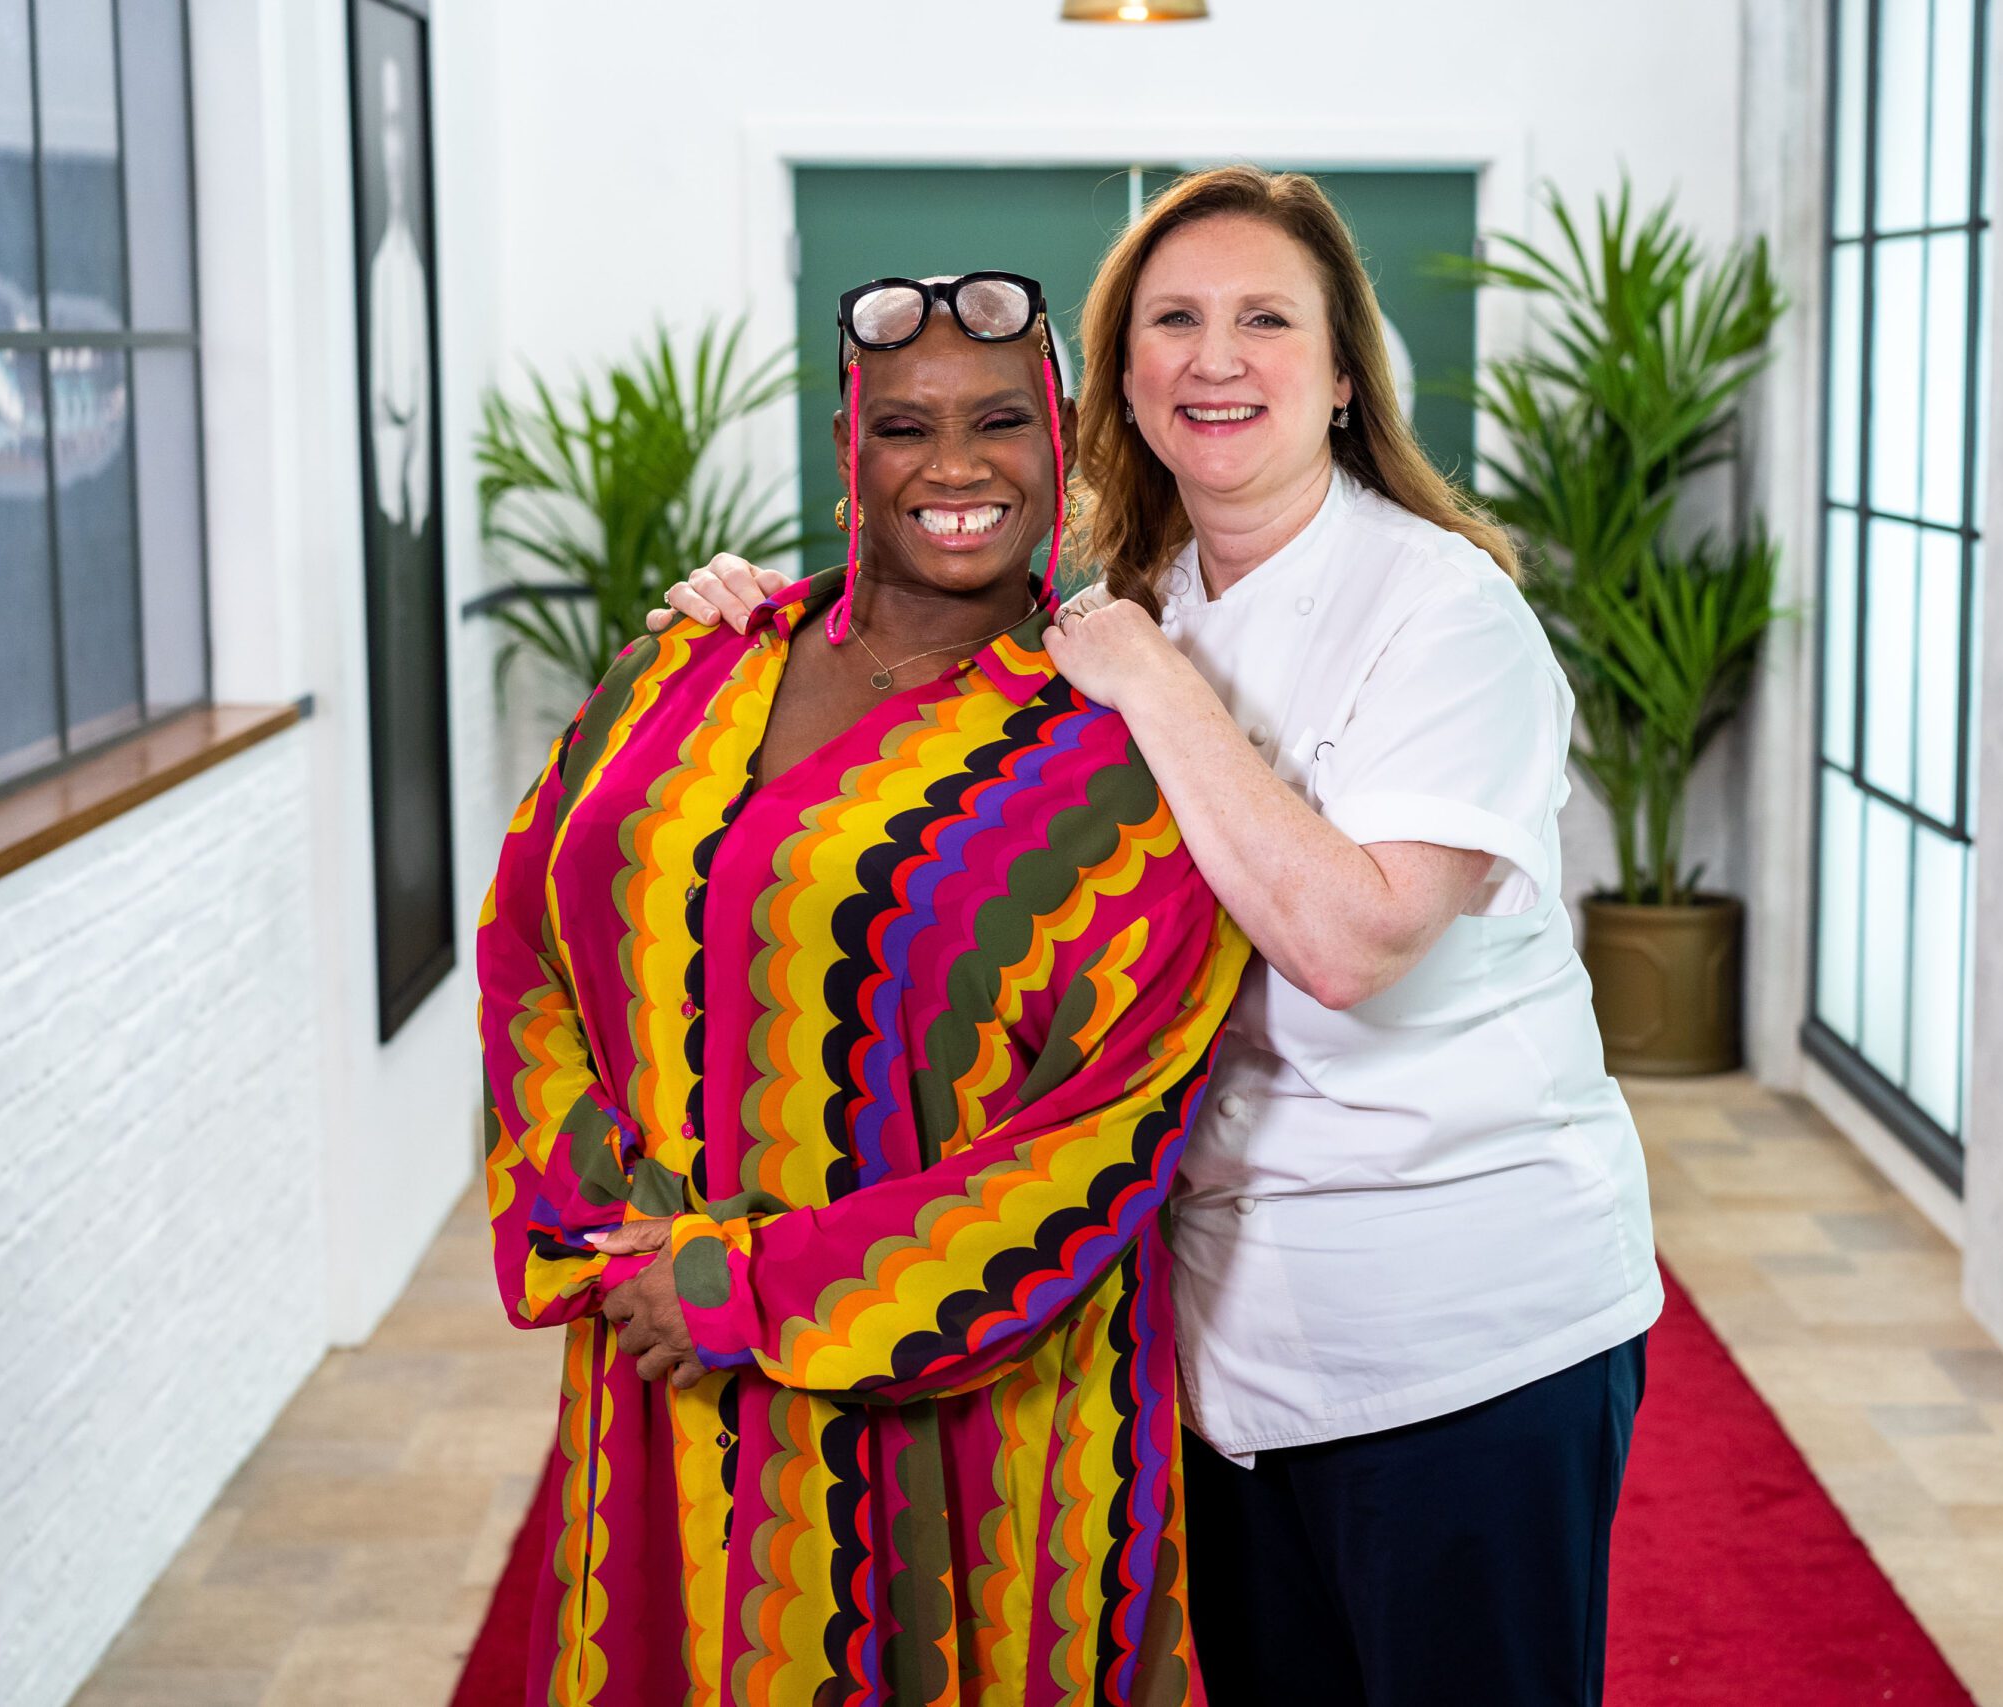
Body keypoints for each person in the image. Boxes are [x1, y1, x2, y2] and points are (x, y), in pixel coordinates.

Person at [663, 168, 1662, 1707]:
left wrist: (1153, 685)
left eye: (1267, 320)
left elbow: (1353, 941)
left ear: (1344, 376)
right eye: (1174, 321)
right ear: (1120, 384)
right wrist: (745, 632)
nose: (1216, 357)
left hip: (1464, 1330)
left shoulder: (1441, 611)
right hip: (1220, 1346)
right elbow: (892, 741)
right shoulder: (1133, 608)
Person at [484, 271, 1248, 1706]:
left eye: (1000, 422)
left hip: (970, 1415)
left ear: (1063, 446)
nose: (956, 466)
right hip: (663, 1374)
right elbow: (530, 939)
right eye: (905, 426)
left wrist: (753, 1284)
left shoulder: (1118, 750)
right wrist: (617, 1230)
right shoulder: (687, 670)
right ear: (850, 449)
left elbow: (1111, 1127)